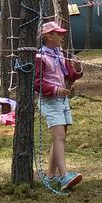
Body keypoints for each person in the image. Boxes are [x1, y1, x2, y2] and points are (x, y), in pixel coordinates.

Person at [34, 20, 83, 190]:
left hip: (62, 100)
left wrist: (77, 69)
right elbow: (36, 83)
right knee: (59, 137)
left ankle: (50, 175)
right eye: (58, 34)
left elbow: (69, 74)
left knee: (60, 138)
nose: (62, 37)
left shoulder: (59, 54)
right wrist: (55, 90)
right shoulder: (40, 57)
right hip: (49, 100)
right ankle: (63, 177)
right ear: (48, 37)